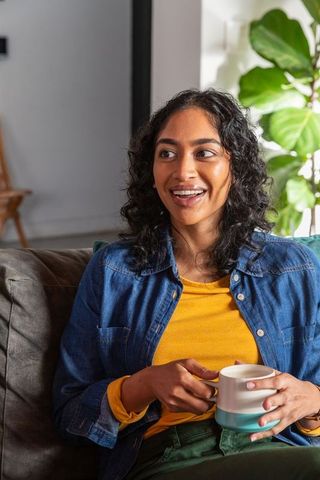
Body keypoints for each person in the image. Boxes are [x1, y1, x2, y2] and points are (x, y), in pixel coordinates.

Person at [53, 89, 320, 480]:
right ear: (152, 169)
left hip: (274, 449)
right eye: (167, 153)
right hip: (167, 458)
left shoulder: (292, 269)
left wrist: (311, 401)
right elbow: (69, 412)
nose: (183, 171)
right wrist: (141, 386)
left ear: (235, 164)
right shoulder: (114, 271)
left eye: (204, 152)